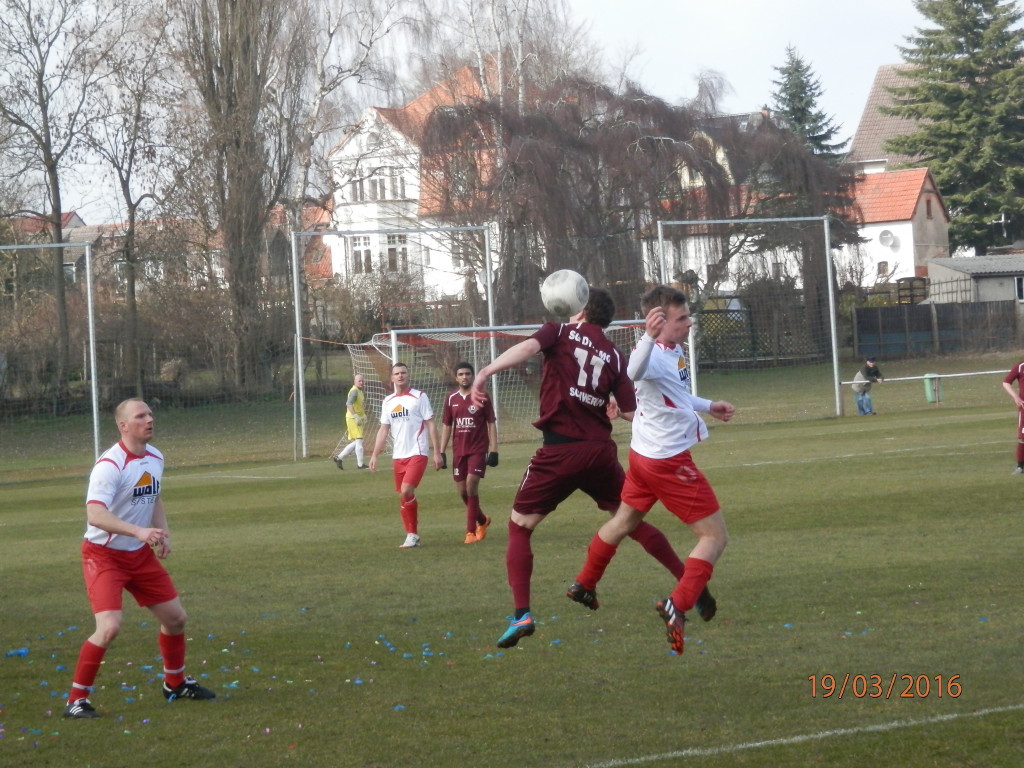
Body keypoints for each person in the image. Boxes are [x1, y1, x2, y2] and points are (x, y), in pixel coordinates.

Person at [471, 287, 692, 649]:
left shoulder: (558, 331)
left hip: (560, 451)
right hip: (600, 454)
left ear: (581, 310)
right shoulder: (615, 355)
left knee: (519, 527)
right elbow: (632, 412)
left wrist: (485, 372)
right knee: (629, 521)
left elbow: (526, 349)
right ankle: (690, 583)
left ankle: (522, 613)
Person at [569, 286, 733, 655]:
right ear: (658, 321)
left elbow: (676, 394)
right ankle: (678, 604)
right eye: (682, 318)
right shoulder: (651, 354)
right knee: (714, 537)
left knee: (623, 521)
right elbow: (633, 370)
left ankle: (584, 583)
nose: (689, 323)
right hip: (667, 461)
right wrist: (647, 335)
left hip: (644, 457)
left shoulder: (672, 352)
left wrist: (709, 405)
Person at [64, 398, 215, 719]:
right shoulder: (110, 465)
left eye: (150, 414)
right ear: (123, 426)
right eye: (140, 416)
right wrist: (138, 531)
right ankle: (76, 701)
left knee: (175, 619)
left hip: (138, 555)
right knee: (109, 627)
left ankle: (175, 684)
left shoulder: (155, 456)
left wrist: (163, 531)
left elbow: (153, 495)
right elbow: (95, 515)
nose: (149, 419)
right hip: (103, 557)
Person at [369, 362, 443, 548]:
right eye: (397, 373)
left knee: (406, 491)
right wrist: (375, 455)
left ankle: (412, 535)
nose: (400, 376)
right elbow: (383, 429)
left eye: (403, 372)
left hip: (418, 451)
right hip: (398, 455)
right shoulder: (388, 401)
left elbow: (431, 425)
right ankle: (412, 534)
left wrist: (437, 452)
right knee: (403, 496)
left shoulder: (419, 397)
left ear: (408, 376)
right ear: (392, 378)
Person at [439, 362, 498, 544]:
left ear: (473, 376)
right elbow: (447, 426)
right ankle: (482, 520)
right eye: (461, 374)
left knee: (471, 485)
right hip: (459, 450)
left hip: (478, 449)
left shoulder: (482, 397)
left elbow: (491, 423)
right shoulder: (451, 398)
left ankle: (470, 532)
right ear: (456, 378)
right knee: (463, 492)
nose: (465, 377)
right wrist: (441, 451)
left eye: (468, 374)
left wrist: (494, 450)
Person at [335, 374, 368, 469]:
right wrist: (356, 416)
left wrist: (363, 415)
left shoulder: (359, 391)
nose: (361, 382)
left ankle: (339, 457)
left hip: (356, 418)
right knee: (359, 440)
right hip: (353, 419)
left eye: (362, 381)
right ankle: (360, 465)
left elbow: (358, 405)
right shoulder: (354, 391)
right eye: (359, 381)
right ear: (355, 382)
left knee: (359, 441)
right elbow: (348, 404)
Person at [1001, 359, 1024, 474]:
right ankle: (1020, 467)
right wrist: (1016, 397)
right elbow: (1006, 382)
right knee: (1023, 438)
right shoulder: (1020, 366)